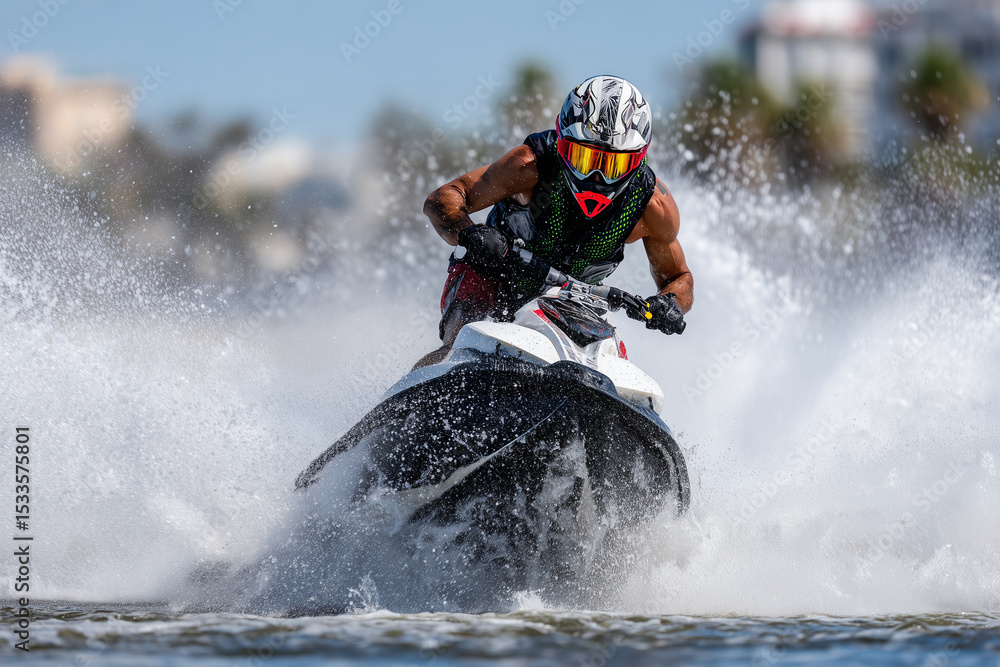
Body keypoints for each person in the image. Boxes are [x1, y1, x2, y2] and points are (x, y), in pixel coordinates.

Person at [415, 75, 693, 368]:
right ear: (562, 144)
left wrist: (670, 303)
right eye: (584, 159)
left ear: (637, 160)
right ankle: (415, 394)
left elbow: (678, 278)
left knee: (608, 363)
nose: (595, 178)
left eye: (612, 165)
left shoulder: (653, 207)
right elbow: (442, 199)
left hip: (571, 302)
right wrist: (470, 233)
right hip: (493, 277)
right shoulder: (529, 166)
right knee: (463, 342)